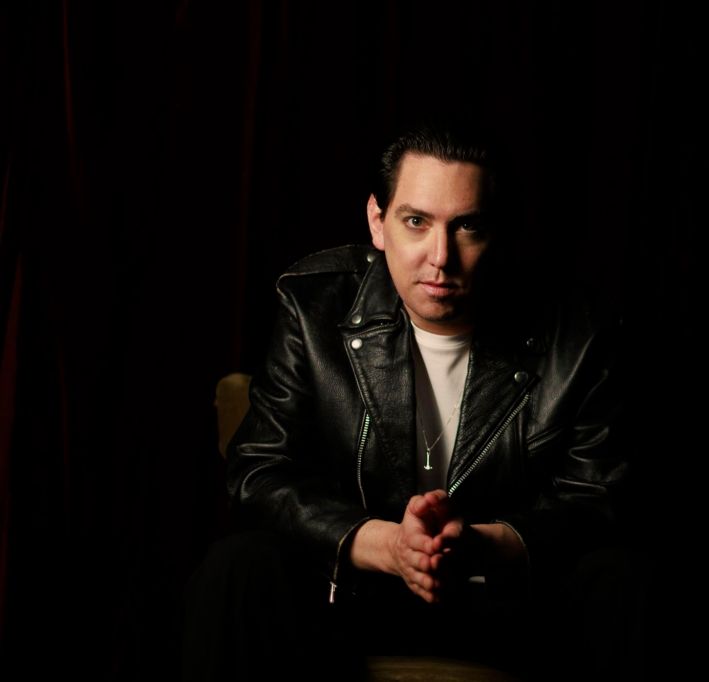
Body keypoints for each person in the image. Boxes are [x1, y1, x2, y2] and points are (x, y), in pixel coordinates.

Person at [182, 120, 639, 681]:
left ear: (497, 232)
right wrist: (384, 545)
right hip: (347, 596)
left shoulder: (578, 329)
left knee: (624, 579)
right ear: (378, 222)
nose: (440, 257)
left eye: (467, 225)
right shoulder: (315, 305)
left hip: (512, 604)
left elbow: (600, 496)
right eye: (416, 221)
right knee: (237, 566)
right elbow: (259, 471)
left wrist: (483, 546)